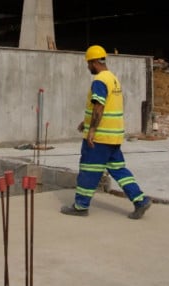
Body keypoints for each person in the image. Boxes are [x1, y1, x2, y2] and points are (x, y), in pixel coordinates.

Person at [61, 45, 152, 219]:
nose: (88, 67)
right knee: (119, 170)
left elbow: (99, 106)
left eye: (88, 63)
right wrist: (85, 122)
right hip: (114, 136)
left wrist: (92, 130)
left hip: (100, 138)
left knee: (88, 170)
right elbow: (105, 106)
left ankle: (80, 206)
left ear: (94, 62)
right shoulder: (113, 79)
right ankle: (140, 201)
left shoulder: (100, 80)